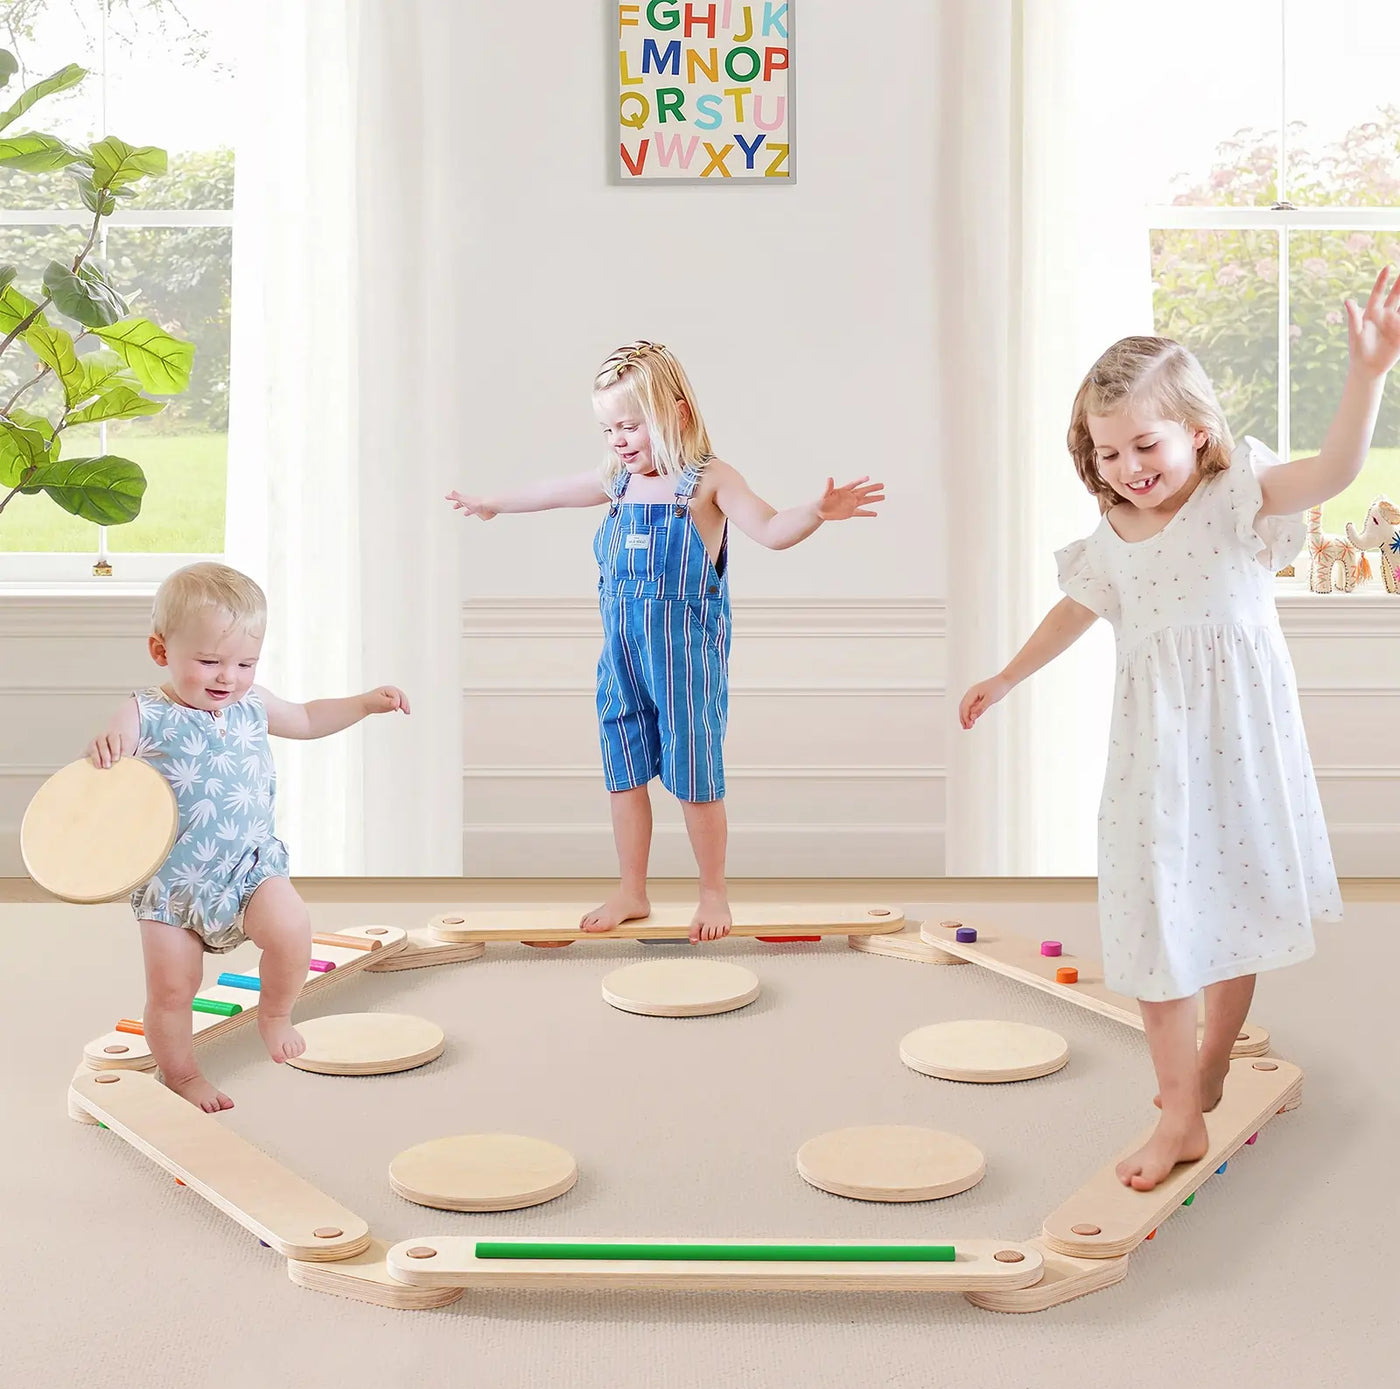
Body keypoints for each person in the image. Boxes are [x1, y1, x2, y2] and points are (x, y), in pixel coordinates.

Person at [959, 267, 1400, 1190]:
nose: (1128, 469)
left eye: (1145, 445)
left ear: (1199, 431)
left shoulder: (1236, 501)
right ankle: (1176, 1112)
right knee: (1155, 914)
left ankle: (1207, 1070)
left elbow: (1337, 472)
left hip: (1242, 748)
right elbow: (1073, 614)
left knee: (1231, 905)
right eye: (1107, 453)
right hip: (1153, 756)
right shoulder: (1111, 538)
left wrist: (1367, 378)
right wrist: (1007, 675)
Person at [447, 340, 883, 942]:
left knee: (696, 773)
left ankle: (712, 892)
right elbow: (551, 492)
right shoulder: (617, 483)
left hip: (685, 659)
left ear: (675, 413)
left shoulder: (709, 480)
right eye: (607, 429)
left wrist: (815, 510)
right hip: (622, 656)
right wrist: (491, 503)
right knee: (623, 769)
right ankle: (632, 889)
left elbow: (772, 529)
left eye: (630, 425)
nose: (619, 441)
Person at [87, 562, 409, 1112]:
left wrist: (362, 704)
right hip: (174, 885)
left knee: (292, 929)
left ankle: (276, 1012)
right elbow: (109, 765)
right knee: (171, 993)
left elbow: (306, 718)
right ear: (161, 651)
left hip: (249, 867)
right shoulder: (146, 713)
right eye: (209, 661)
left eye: (244, 663)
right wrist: (107, 751)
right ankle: (183, 1075)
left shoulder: (251, 702)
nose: (227, 677)